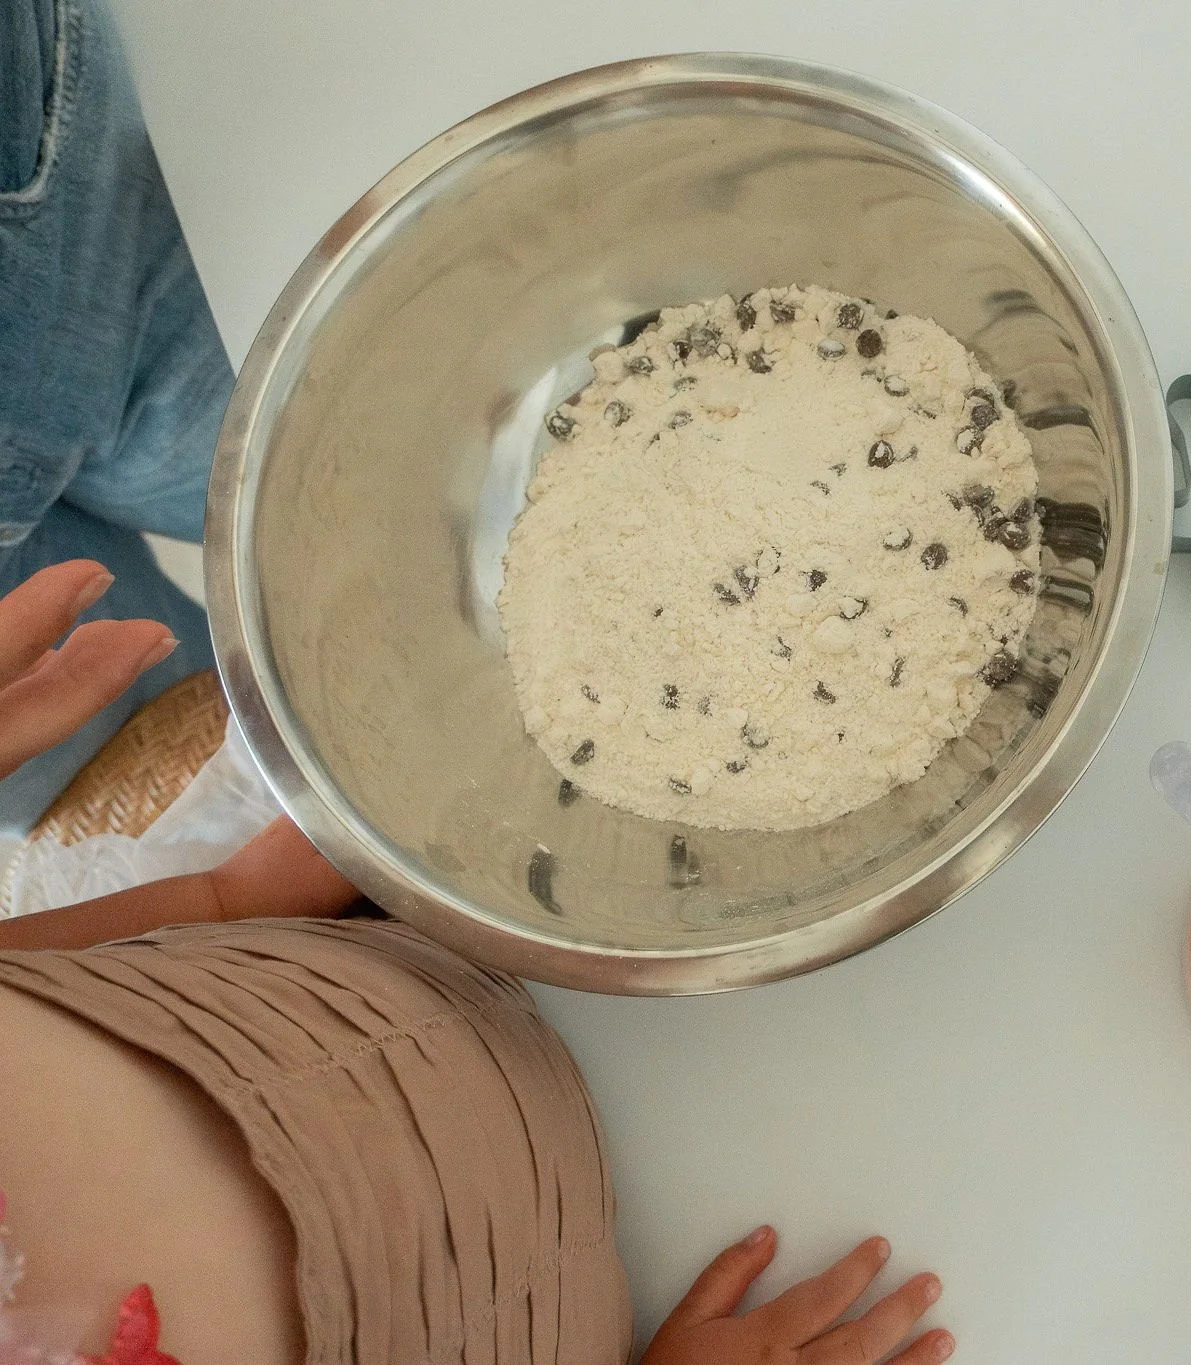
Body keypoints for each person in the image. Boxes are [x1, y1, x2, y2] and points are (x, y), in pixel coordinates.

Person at [0, 2, 955, 1362]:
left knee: (205, 478)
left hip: (328, 968)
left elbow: (110, 958)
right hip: (531, 1269)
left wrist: (259, 883)